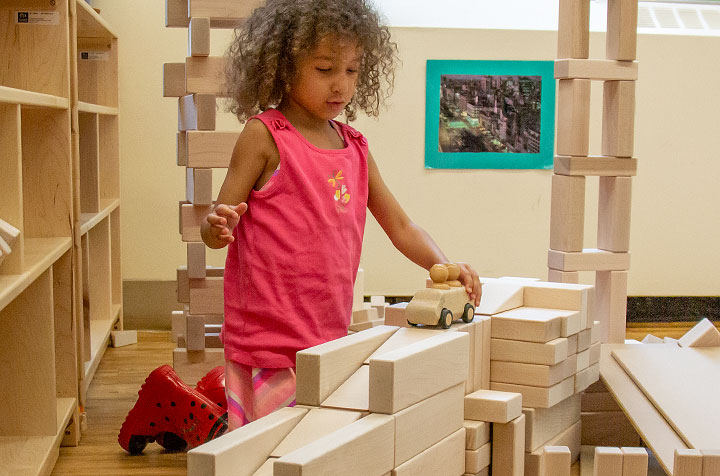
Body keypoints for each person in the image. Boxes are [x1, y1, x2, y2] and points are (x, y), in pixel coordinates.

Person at [201, 0, 482, 431]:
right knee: (262, 452)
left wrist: (443, 266)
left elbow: (401, 226)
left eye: (351, 71)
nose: (341, 85)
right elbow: (219, 220)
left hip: (326, 334)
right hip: (267, 340)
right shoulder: (265, 136)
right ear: (281, 66)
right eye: (325, 69)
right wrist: (216, 227)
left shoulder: (355, 147)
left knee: (313, 444)